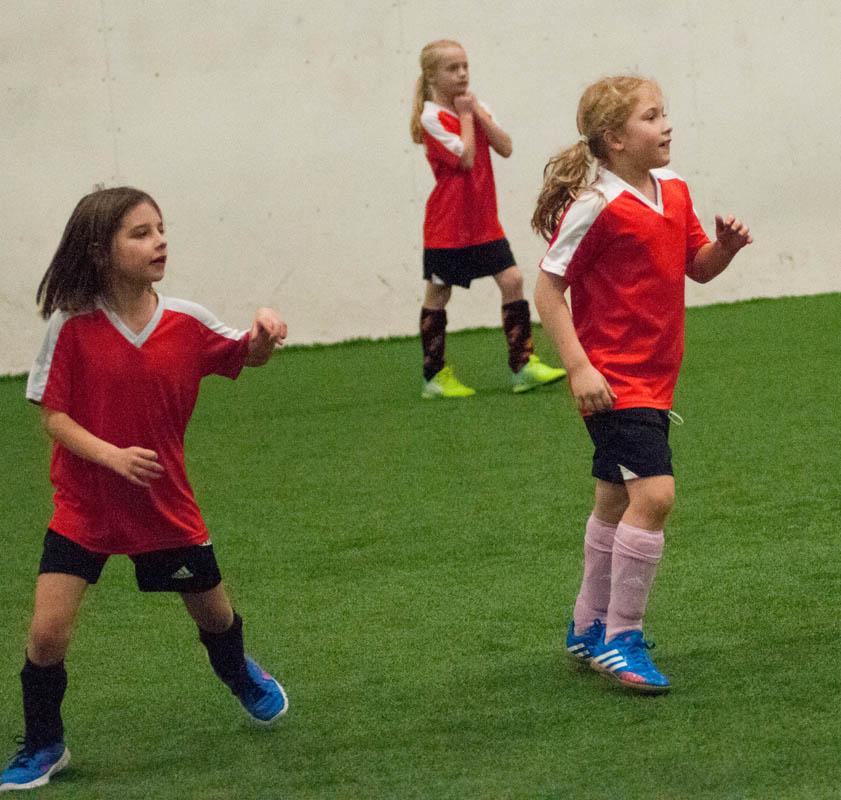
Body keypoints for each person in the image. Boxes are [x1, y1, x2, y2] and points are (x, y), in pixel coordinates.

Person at [1, 187, 290, 792]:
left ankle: (239, 673)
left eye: (160, 229)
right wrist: (110, 456)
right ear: (101, 251)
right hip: (84, 509)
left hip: (163, 507)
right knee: (46, 634)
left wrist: (263, 337)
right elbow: (51, 416)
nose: (159, 241)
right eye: (140, 233)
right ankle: (45, 745)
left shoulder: (185, 321)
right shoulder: (72, 326)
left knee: (215, 617)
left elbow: (244, 356)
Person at [532, 77, 752, 693]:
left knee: (614, 499)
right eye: (653, 117)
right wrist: (579, 366)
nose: (667, 126)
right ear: (614, 138)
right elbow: (548, 288)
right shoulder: (595, 204)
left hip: (656, 378)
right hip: (613, 381)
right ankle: (621, 636)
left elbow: (696, 267)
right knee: (653, 497)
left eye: (665, 114)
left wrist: (725, 250)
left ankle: (587, 625)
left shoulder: (673, 188)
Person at [410, 39, 565, 398]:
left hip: (483, 222)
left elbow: (506, 147)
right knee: (439, 293)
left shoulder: (476, 108)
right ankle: (434, 376)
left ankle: (523, 366)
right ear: (432, 75)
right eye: (452, 68)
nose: (462, 73)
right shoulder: (431, 118)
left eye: (465, 66)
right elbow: (464, 158)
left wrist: (476, 113)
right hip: (448, 226)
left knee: (512, 280)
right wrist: (466, 117)